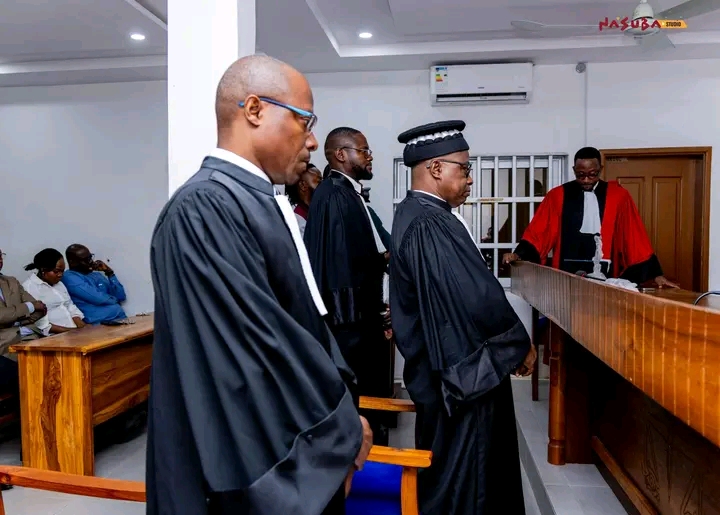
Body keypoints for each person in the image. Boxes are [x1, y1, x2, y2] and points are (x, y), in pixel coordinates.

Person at [146, 55, 371, 515]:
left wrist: (343, 411)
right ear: (254, 110)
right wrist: (338, 426)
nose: (313, 141)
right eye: (305, 120)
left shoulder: (257, 200)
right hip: (249, 467)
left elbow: (303, 321)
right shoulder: (204, 208)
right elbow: (253, 353)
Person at [389, 120, 536, 515]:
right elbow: (472, 297)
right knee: (467, 484)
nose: (470, 179)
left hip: (450, 372)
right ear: (436, 168)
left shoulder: (422, 214)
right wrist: (517, 343)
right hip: (461, 378)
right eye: (465, 168)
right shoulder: (429, 223)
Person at [304, 127, 392, 445]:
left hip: (360, 321)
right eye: (364, 151)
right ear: (341, 154)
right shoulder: (333, 194)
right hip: (349, 327)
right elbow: (337, 267)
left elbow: (364, 256)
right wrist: (361, 319)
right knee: (356, 411)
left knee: (370, 407)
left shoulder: (348, 193)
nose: (370, 157)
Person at [502, 146, 678, 288]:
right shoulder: (558, 196)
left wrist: (655, 274)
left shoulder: (618, 196)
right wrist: (519, 253)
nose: (586, 180)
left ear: (601, 170)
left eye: (592, 174)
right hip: (565, 274)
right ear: (574, 170)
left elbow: (634, 237)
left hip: (606, 275)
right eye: (581, 175)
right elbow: (540, 231)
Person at [22, 248, 86, 335]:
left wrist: (81, 326)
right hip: (55, 335)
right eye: (56, 271)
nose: (60, 275)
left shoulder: (59, 284)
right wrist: (71, 331)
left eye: (62, 271)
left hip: (73, 330)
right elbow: (41, 325)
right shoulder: (30, 288)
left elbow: (69, 305)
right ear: (43, 270)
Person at [62, 244, 128, 324]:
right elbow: (98, 298)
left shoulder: (97, 275)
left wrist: (109, 273)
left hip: (120, 320)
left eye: (90, 257)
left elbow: (121, 296)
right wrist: (115, 301)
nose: (91, 262)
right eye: (86, 259)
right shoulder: (69, 277)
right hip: (98, 325)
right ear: (72, 262)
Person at [285, 162, 322, 236]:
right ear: (303, 185)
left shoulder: (314, 209)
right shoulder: (296, 219)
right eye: (319, 182)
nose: (324, 185)